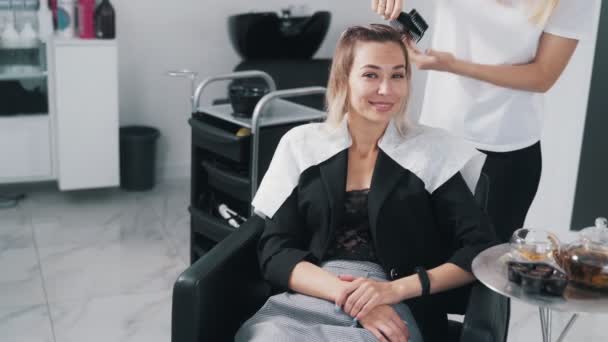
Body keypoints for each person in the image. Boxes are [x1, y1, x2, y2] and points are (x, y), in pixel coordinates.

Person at [234, 24, 497, 342]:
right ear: (344, 79)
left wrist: (392, 290)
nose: (387, 90)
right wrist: (351, 298)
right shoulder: (302, 145)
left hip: (397, 306)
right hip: (314, 291)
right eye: (371, 75)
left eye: (398, 75)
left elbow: (481, 250)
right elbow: (276, 251)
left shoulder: (432, 152)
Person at [371, 0, 596, 242]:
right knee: (419, 250)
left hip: (506, 150)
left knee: (485, 262)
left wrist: (454, 66)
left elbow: (543, 75)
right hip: (436, 138)